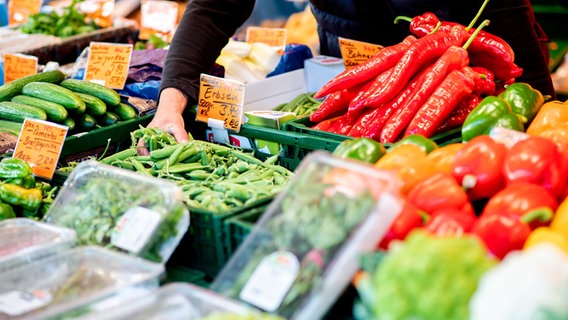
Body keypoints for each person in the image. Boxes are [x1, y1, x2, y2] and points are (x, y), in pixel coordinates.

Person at [142, 0, 555, 146]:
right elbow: (215, 8)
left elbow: (505, 13)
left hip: (461, 71)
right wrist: (170, 105)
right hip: (350, 67)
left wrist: (541, 107)